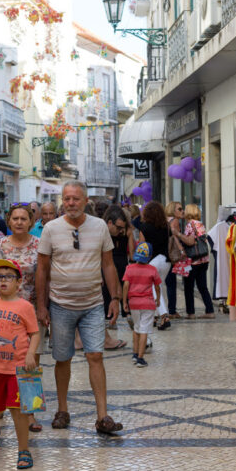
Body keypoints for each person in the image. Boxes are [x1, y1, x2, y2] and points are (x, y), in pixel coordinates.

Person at [36, 180, 124, 435]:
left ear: (86, 201)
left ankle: (102, 416)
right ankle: (62, 410)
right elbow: (42, 269)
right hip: (60, 305)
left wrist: (115, 298)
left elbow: (108, 264)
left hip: (93, 304)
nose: (71, 203)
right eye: (67, 198)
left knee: (95, 356)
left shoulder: (99, 227)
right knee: (62, 358)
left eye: (76, 198)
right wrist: (42, 306)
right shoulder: (51, 229)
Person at [0, 204, 43, 431]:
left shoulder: (39, 245)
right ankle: (0, 406)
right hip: (2, 312)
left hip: (29, 311)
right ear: (8, 221)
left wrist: (43, 307)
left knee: (30, 363)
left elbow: (44, 278)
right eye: (15, 218)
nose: (19, 222)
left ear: (31, 222)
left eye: (24, 218)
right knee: (1, 359)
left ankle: (30, 412)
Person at [0, 259, 40, 470]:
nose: (3, 281)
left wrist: (30, 354)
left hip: (18, 368)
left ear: (19, 282)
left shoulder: (25, 307)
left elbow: (35, 333)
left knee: (18, 410)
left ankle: (24, 450)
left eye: (9, 277)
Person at [132, 201, 172, 330]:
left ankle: (164, 316)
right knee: (160, 287)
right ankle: (154, 316)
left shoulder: (144, 227)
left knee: (153, 289)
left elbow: (142, 247)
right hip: (166, 261)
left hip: (152, 262)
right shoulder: (166, 227)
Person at [122, 243, 161, 368]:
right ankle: (140, 358)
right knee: (144, 330)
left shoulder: (129, 268)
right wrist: (158, 299)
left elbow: (126, 286)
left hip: (134, 303)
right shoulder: (152, 270)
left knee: (136, 328)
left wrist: (124, 301)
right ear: (149, 256)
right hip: (147, 303)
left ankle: (134, 353)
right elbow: (157, 286)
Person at [102, 205, 134, 342]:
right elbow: (132, 252)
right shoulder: (128, 230)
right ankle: (128, 314)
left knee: (108, 292)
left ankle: (110, 319)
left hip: (108, 262)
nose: (120, 230)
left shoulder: (104, 231)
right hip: (122, 263)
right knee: (124, 290)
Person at [180, 204, 215, 319]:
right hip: (204, 260)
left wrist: (179, 236)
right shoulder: (200, 224)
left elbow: (189, 241)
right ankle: (210, 311)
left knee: (189, 287)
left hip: (193, 260)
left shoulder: (190, 225)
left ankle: (191, 313)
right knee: (203, 287)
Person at [164, 201, 184, 317]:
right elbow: (175, 237)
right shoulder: (175, 221)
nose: (182, 211)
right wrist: (181, 249)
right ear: (173, 210)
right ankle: (172, 310)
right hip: (172, 254)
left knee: (168, 282)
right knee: (171, 283)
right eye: (179, 209)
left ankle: (170, 309)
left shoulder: (166, 220)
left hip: (166, 254)